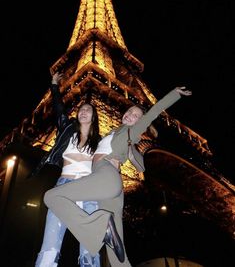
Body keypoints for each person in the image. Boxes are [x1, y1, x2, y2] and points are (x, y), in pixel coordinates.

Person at [43, 85, 192, 267]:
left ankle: (99, 227)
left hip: (106, 175)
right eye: (129, 111)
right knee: (118, 257)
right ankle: (104, 229)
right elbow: (140, 164)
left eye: (136, 115)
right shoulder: (117, 133)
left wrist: (174, 93)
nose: (130, 115)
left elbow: (154, 112)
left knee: (52, 196)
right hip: (111, 191)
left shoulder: (132, 131)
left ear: (140, 121)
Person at [35, 72, 101, 267]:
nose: (83, 111)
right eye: (81, 108)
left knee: (90, 250)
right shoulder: (67, 129)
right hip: (64, 188)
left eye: (88, 109)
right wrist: (54, 85)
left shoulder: (100, 141)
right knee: (49, 246)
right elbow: (58, 108)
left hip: (89, 191)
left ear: (94, 116)